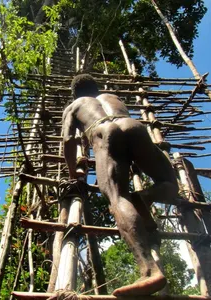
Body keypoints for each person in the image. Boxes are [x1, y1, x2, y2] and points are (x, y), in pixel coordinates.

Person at [62, 74, 178, 296]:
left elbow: (69, 141)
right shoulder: (111, 97)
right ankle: (144, 197)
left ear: (75, 93)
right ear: (95, 88)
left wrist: (72, 173)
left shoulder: (75, 105)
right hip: (133, 126)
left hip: (104, 131)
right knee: (169, 183)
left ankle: (149, 272)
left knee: (117, 197)